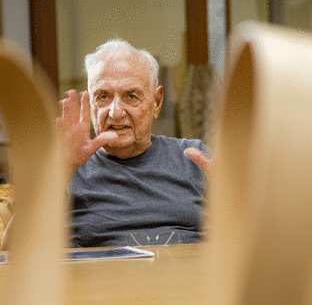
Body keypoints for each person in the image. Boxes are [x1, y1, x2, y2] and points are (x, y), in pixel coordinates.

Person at [59, 38, 211, 247]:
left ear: (156, 102)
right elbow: (18, 245)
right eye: (103, 96)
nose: (115, 112)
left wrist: (237, 195)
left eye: (131, 96)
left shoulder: (194, 157)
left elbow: (250, 236)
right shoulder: (69, 169)